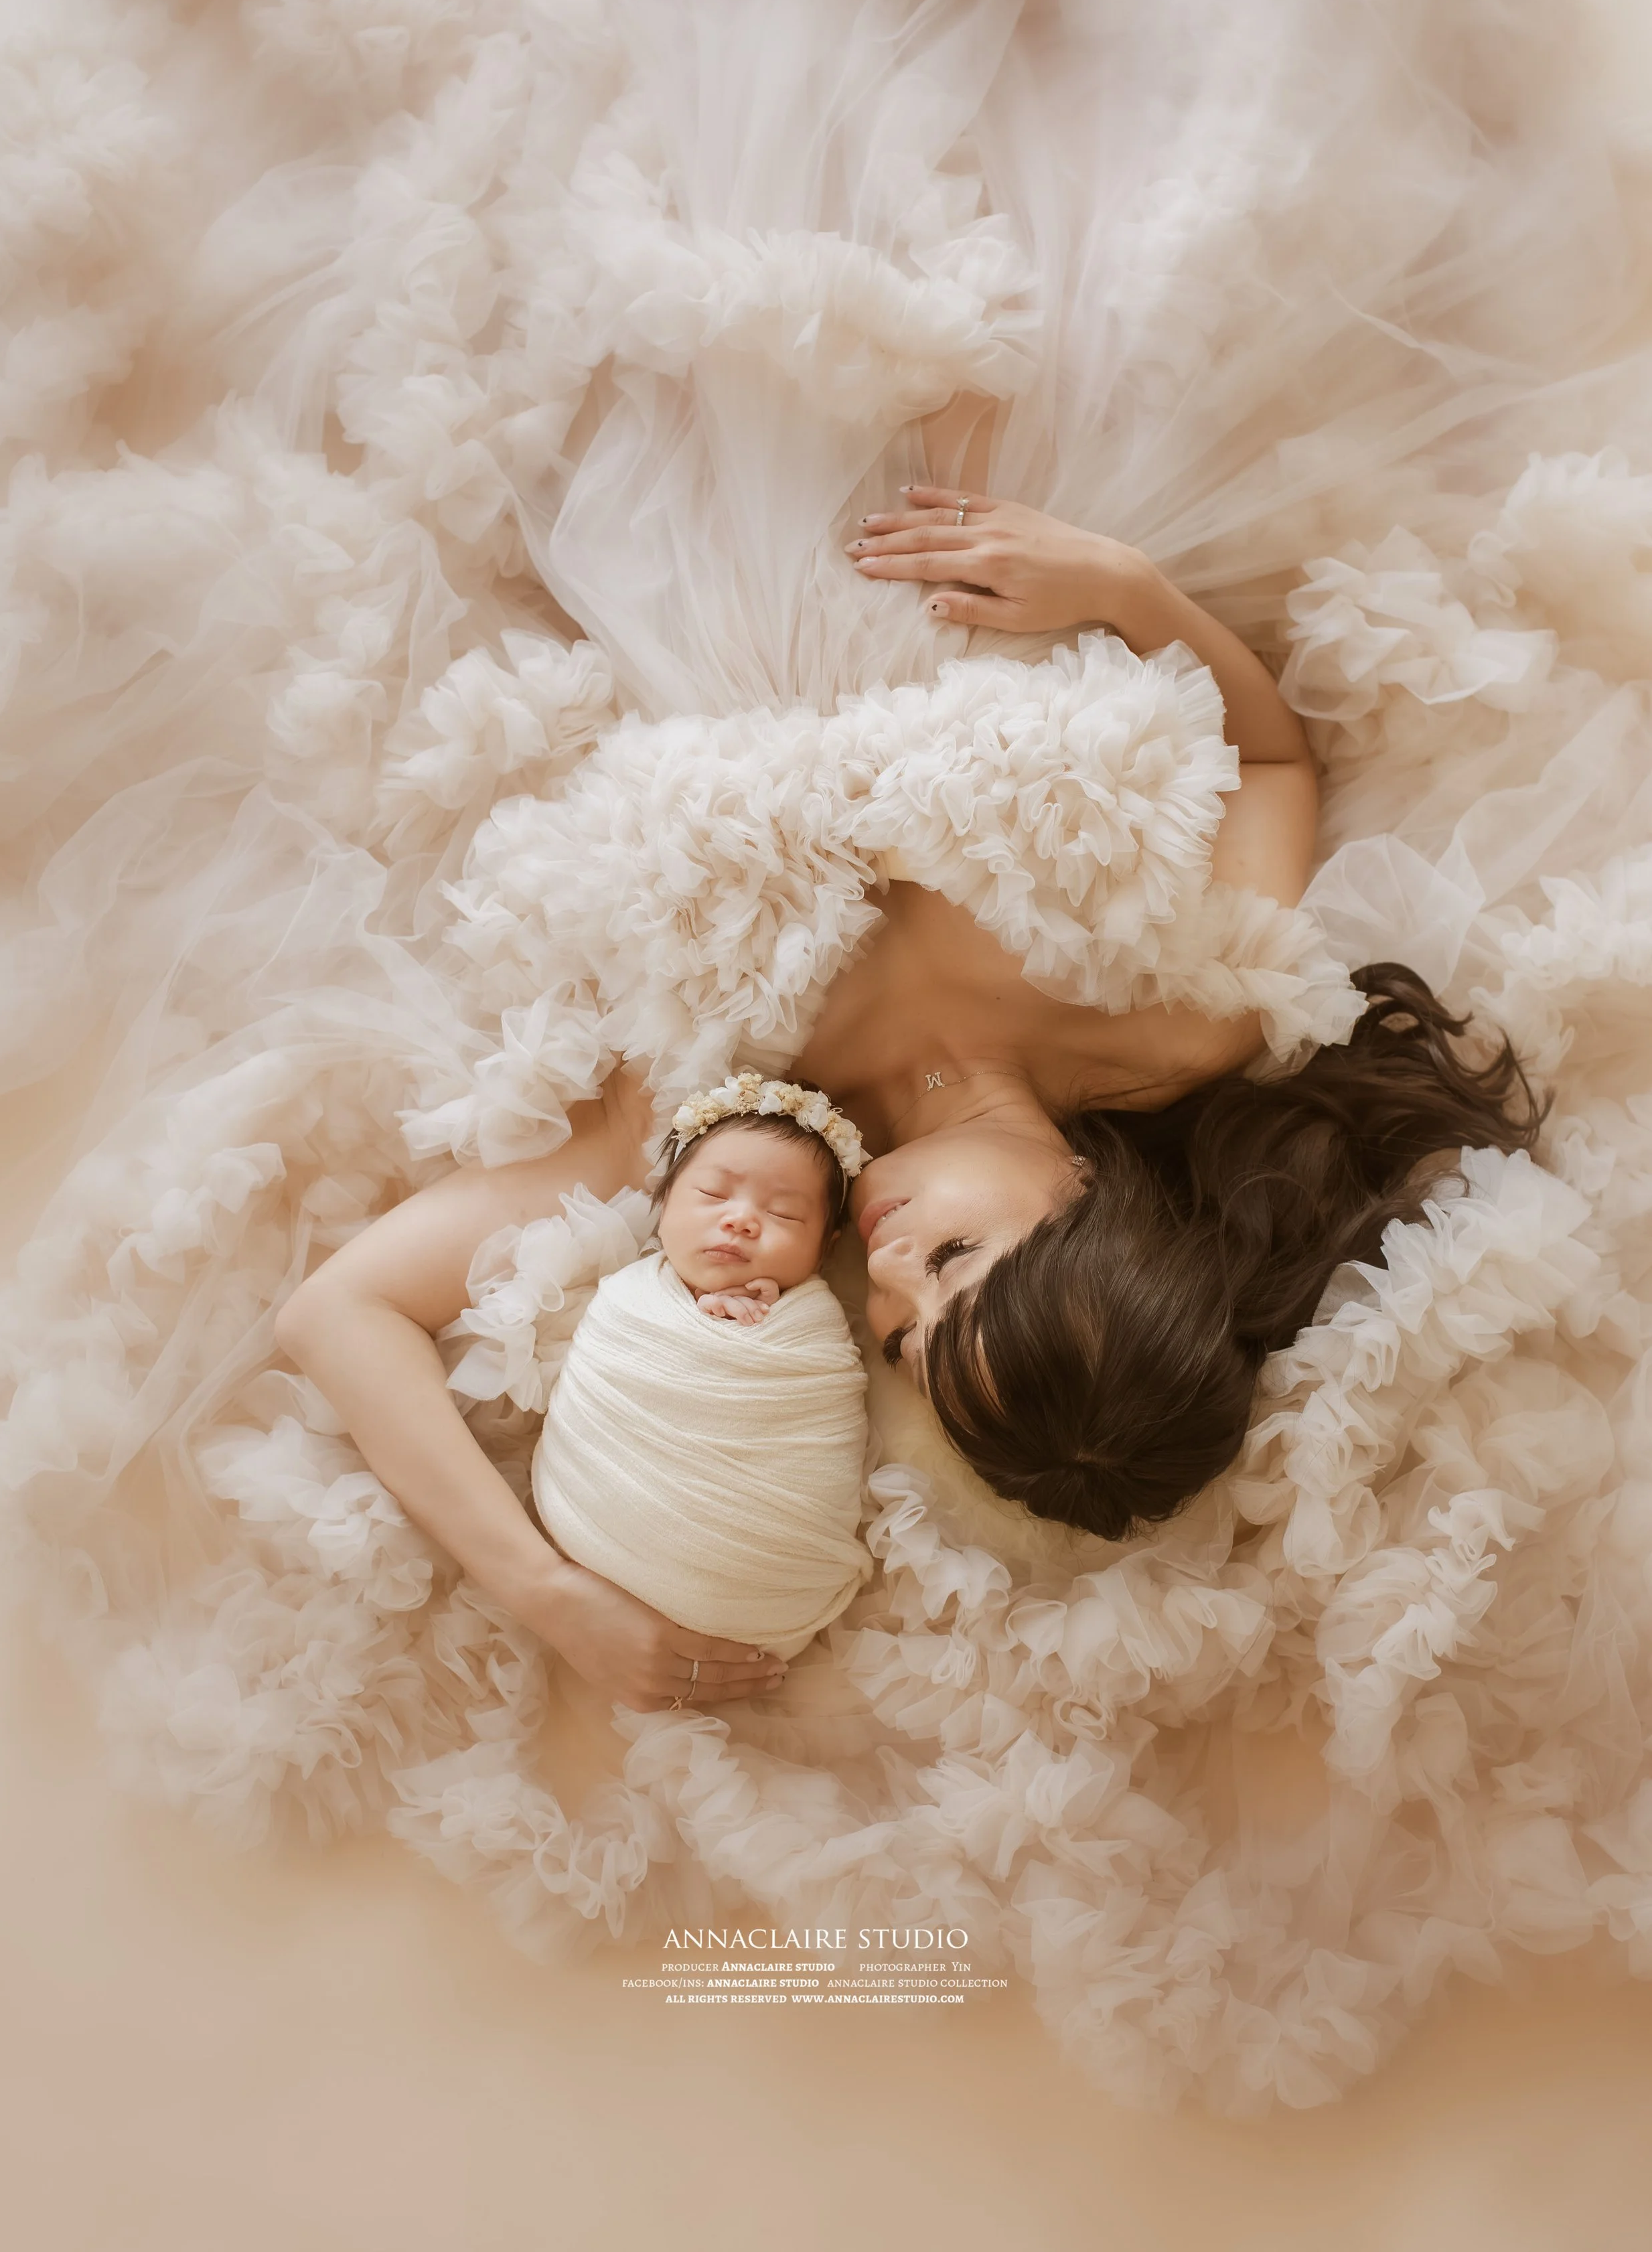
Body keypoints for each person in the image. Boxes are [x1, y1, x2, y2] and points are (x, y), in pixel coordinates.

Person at [275, 492, 1542, 1714]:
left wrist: (547, 1592)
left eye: (898, 1336)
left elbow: (341, 1311)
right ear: (1084, 1196)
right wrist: (1122, 586)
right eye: (954, 1263)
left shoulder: (739, 1133)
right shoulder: (1184, 1018)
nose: (882, 1273)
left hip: (692, 585)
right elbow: (1270, 753)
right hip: (926, 536)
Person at [528, 1077, 873, 1684]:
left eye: (784, 1212)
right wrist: (704, 1321)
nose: (741, 1220)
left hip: (765, 1583)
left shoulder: (809, 1335)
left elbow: (813, 1433)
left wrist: (743, 1332)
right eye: (714, 1194)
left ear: (825, 1250)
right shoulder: (629, 1301)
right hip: (594, 1546)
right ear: (663, 1202)